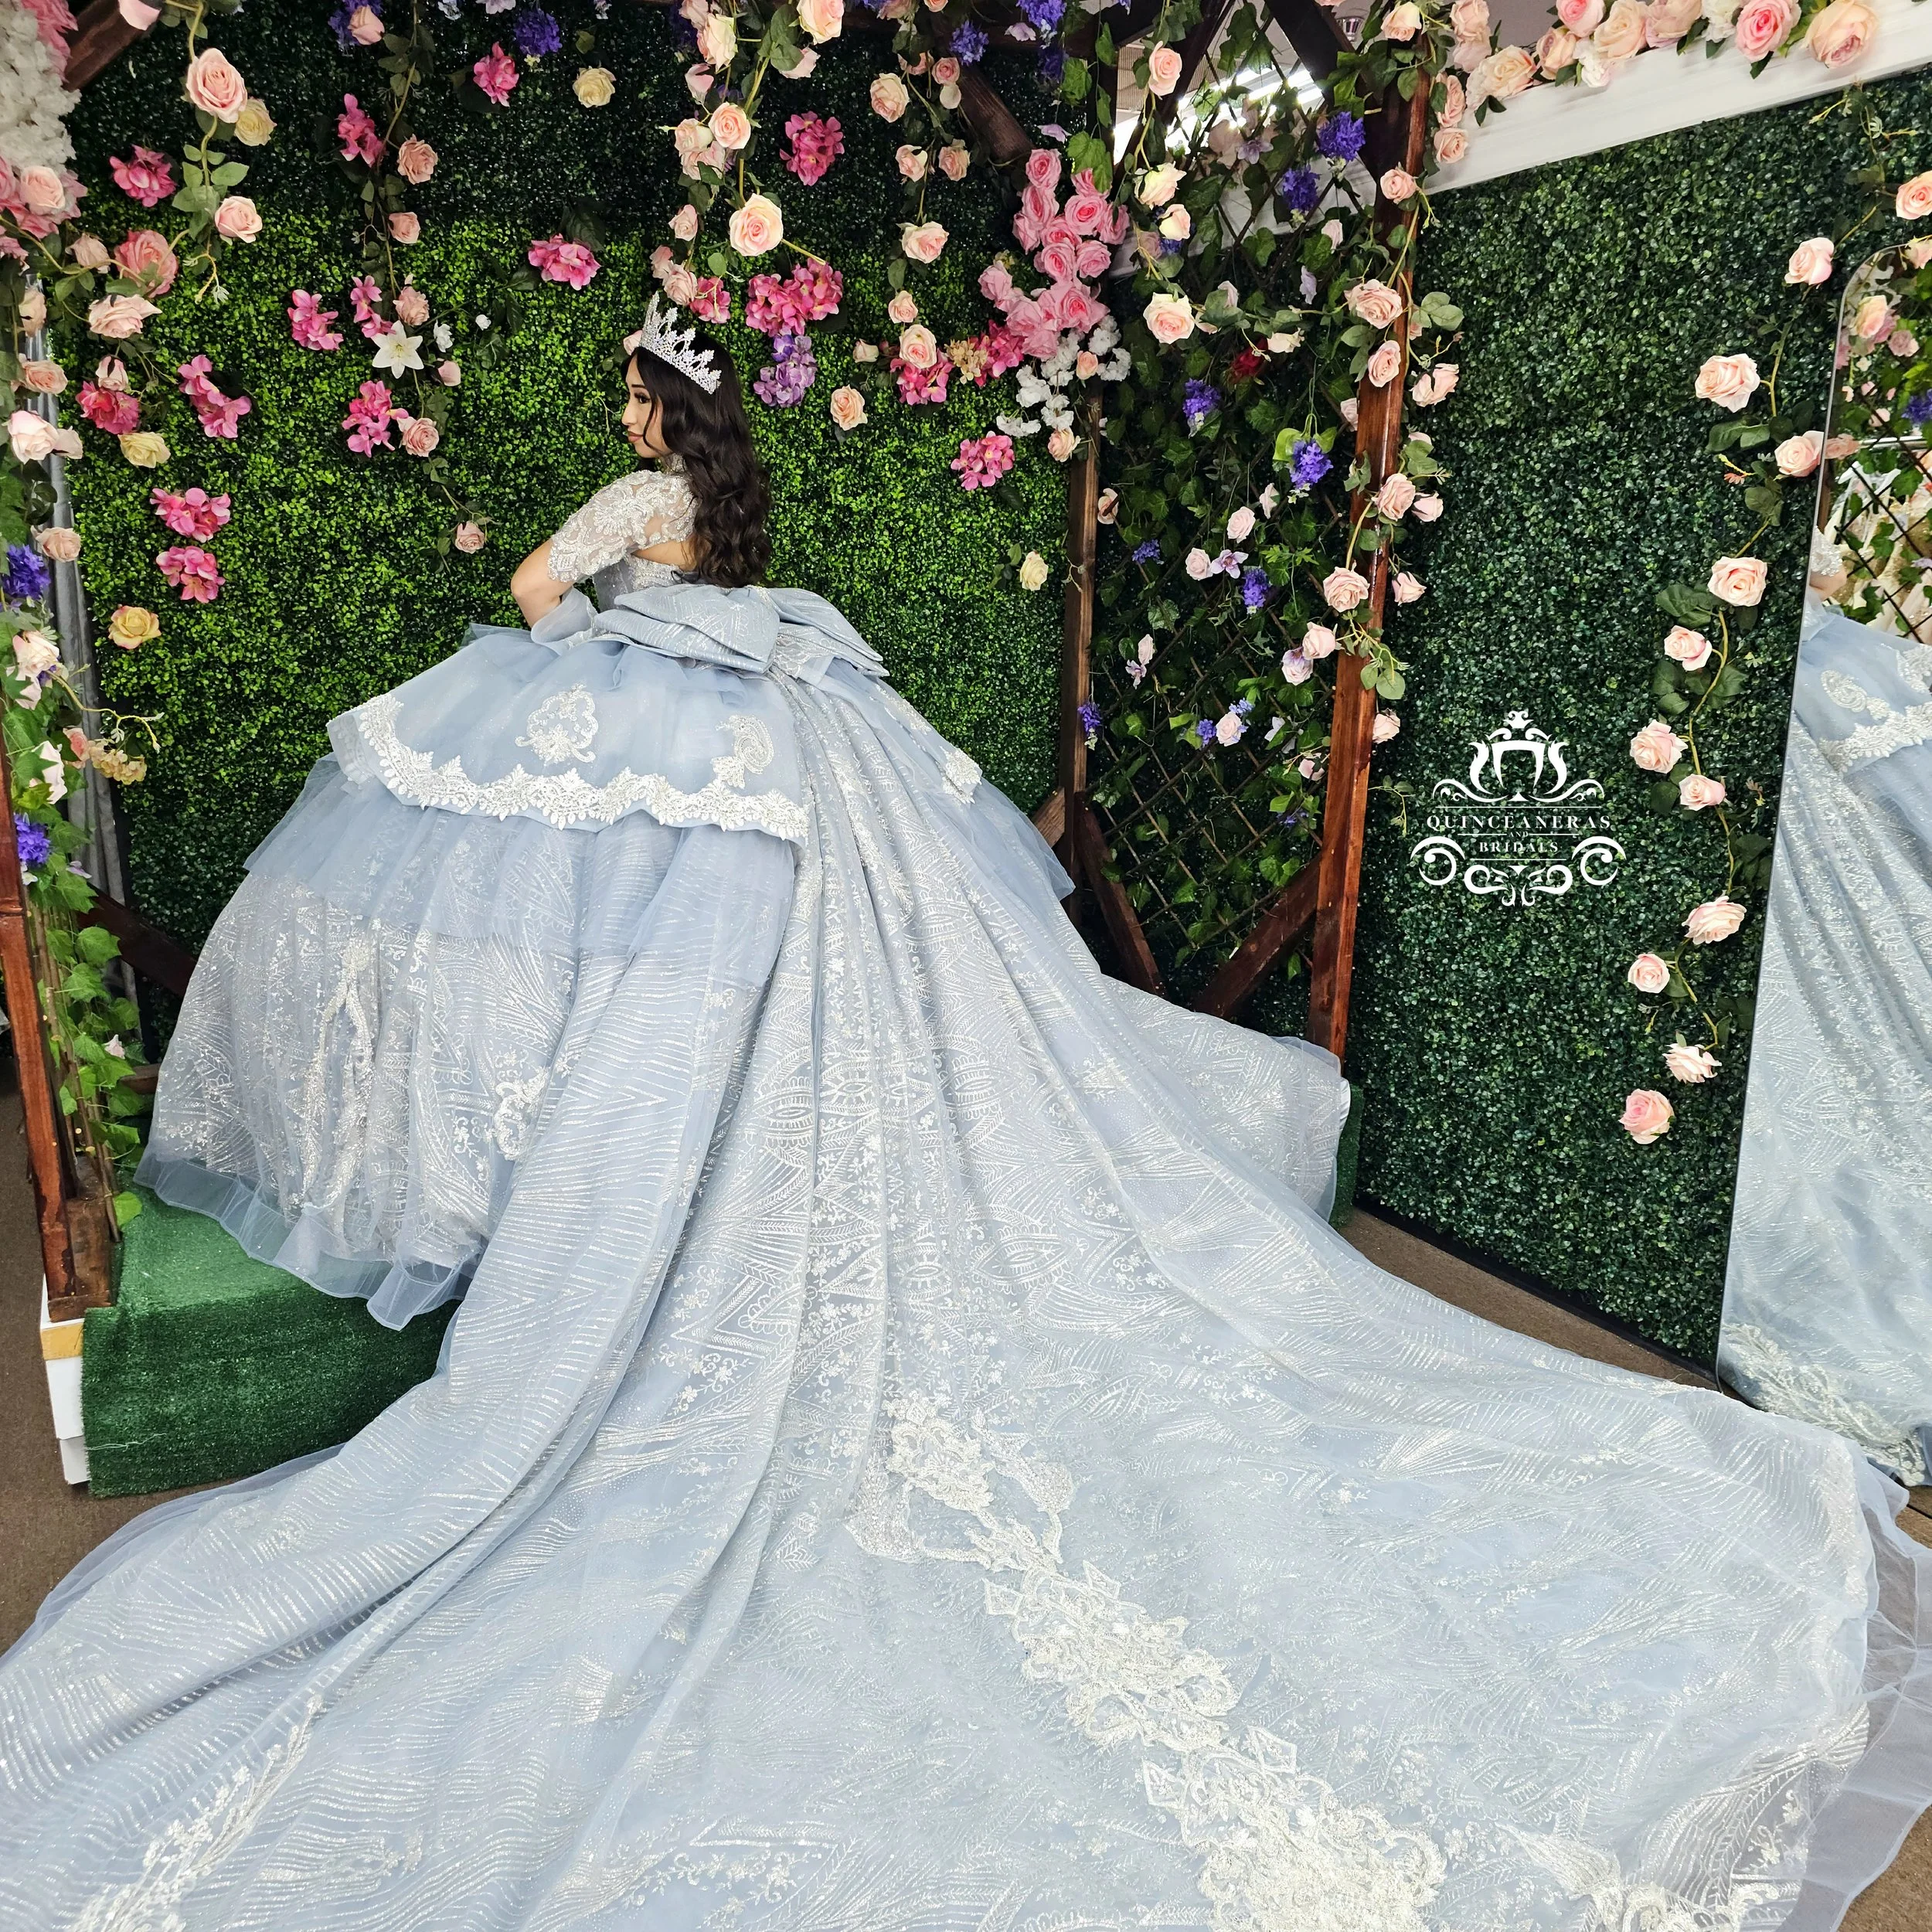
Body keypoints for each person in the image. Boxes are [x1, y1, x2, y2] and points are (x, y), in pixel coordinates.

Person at [1, 305, 1927, 1932]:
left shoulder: (632, 510)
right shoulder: (762, 566)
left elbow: (523, 594)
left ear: (655, 421)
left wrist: (583, 582)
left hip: (669, 725)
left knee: (603, 936)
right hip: (780, 744)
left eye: (629, 401)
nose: (624, 424)